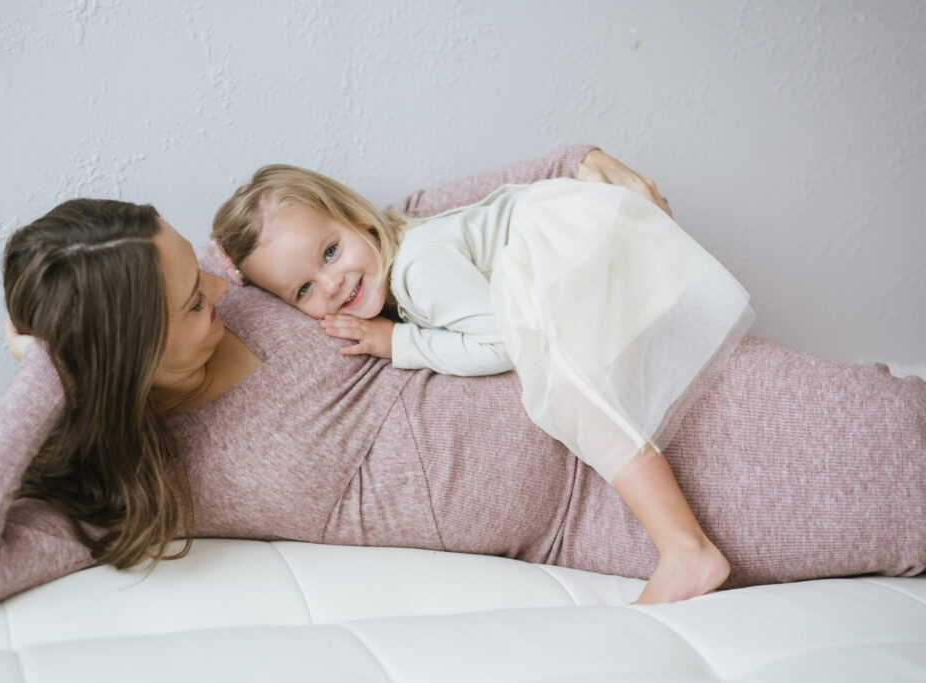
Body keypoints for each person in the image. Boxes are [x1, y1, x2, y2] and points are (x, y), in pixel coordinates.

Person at [0, 146, 923, 617]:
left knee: (895, 429)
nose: (217, 287)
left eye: (197, 262)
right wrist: (45, 378)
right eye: (189, 301)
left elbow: (411, 220)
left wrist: (580, 162)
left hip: (633, 385)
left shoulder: (266, 281)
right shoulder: (130, 478)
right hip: (590, 518)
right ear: (115, 363)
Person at [210, 151, 753, 603]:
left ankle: (686, 549)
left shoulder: (419, 271)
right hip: (584, 234)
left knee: (572, 396)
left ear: (356, 217)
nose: (331, 285)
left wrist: (397, 342)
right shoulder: (395, 253)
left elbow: (500, 343)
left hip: (588, 246)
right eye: (302, 291)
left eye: (330, 251)